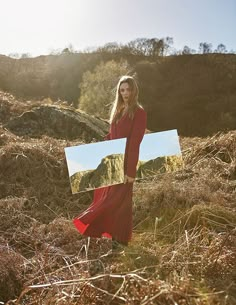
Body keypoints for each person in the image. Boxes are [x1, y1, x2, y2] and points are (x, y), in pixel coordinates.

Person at [73, 75, 147, 248]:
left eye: (128, 89)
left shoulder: (139, 112)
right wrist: (98, 148)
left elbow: (135, 142)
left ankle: (120, 239)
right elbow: (113, 136)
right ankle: (114, 236)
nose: (125, 93)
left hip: (125, 163)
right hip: (113, 162)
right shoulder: (119, 110)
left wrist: (130, 171)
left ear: (134, 90)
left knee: (120, 202)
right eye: (122, 90)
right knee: (108, 198)